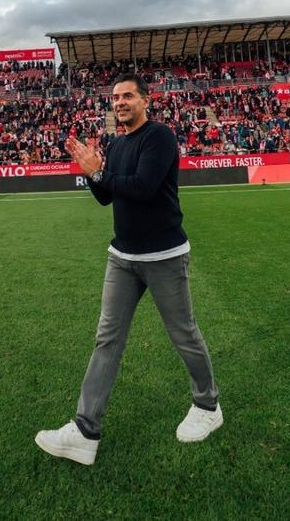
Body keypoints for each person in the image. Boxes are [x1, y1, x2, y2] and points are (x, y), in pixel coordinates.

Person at [35, 72, 220, 466]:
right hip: (122, 257)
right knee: (107, 339)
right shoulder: (116, 143)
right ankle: (85, 431)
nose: (120, 102)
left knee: (184, 334)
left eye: (128, 96)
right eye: (116, 97)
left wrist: (101, 173)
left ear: (145, 100)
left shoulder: (160, 137)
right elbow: (107, 196)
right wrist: (92, 172)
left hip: (165, 256)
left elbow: (143, 186)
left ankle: (208, 406)